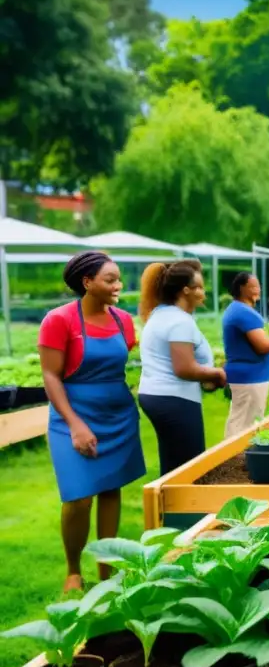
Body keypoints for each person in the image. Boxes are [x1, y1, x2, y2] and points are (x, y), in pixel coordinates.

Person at [38, 251, 146, 592]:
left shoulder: (123, 321)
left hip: (117, 414)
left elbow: (120, 363)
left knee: (111, 489)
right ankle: (73, 569)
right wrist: (74, 424)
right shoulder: (59, 320)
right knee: (78, 497)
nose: (118, 285)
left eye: (118, 279)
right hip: (73, 415)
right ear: (87, 282)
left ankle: (106, 568)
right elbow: (51, 376)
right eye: (110, 279)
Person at [138, 259, 225, 478]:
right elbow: (184, 368)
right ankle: (186, 512)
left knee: (174, 464)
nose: (203, 292)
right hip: (174, 399)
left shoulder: (160, 314)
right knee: (190, 469)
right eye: (199, 287)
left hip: (158, 396)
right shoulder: (179, 322)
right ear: (186, 291)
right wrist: (218, 373)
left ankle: (167, 511)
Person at [222, 273, 269, 438]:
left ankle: (236, 457)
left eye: (259, 285)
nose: (259, 289)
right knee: (244, 425)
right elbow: (263, 347)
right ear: (242, 288)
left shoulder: (237, 309)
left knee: (240, 420)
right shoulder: (243, 312)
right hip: (250, 378)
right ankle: (235, 458)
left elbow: (254, 342)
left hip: (249, 377)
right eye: (254, 286)